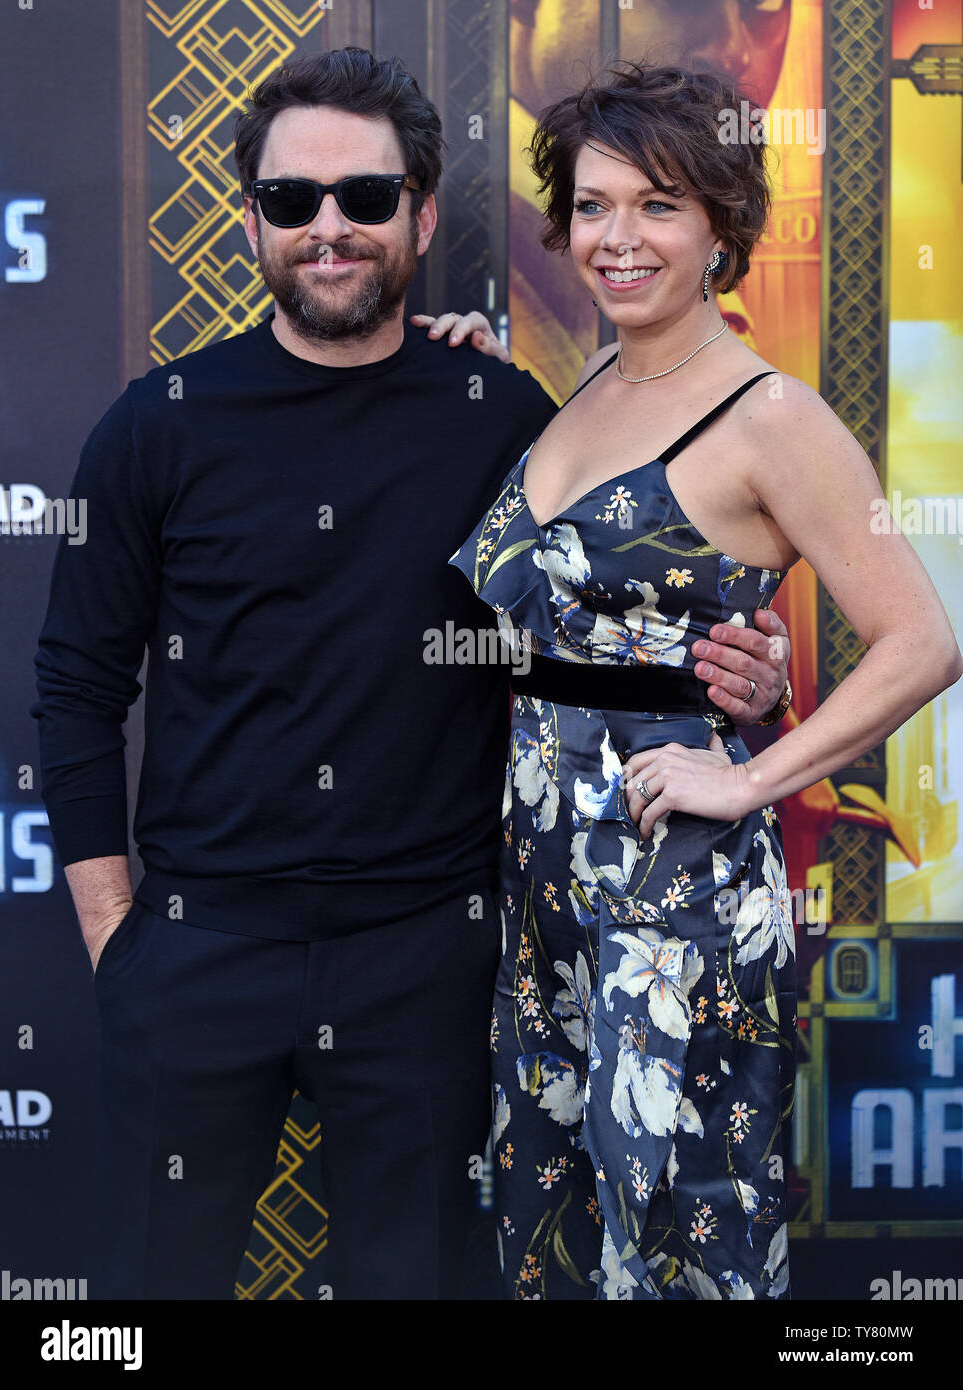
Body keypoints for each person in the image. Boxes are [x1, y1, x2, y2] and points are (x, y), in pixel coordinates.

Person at [31, 48, 791, 1301]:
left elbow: (610, 618)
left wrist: (740, 675)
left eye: (366, 198)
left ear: (422, 215)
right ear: (252, 220)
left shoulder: (503, 417)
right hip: (197, 945)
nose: (329, 228)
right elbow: (74, 687)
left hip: (428, 957)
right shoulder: (155, 425)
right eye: (292, 201)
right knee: (138, 1297)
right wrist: (117, 937)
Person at [448, 62, 962, 1300]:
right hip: (541, 885)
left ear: (722, 228)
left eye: (658, 204)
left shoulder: (768, 416)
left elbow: (922, 640)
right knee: (558, 1223)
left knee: (680, 1232)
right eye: (592, 205)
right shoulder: (591, 386)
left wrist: (748, 782)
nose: (618, 238)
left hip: (670, 891)